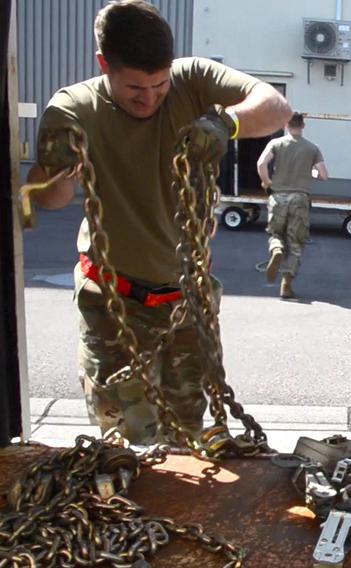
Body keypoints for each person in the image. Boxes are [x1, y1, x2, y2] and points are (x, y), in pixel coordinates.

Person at [26, 0, 291, 444]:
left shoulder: (193, 80)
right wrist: (53, 168)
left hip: (185, 302)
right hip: (115, 305)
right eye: (134, 88)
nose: (149, 98)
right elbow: (52, 198)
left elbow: (276, 108)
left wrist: (227, 121)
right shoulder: (73, 109)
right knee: (125, 441)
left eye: (159, 84)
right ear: (103, 65)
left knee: (186, 434)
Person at [257, 111, 328, 299]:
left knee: (275, 233)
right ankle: (286, 284)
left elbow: (261, 163)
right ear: (303, 125)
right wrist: (310, 173)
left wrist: (267, 182)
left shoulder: (276, 144)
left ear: (285, 125)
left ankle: (277, 249)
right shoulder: (312, 148)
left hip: (278, 197)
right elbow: (323, 175)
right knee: (296, 243)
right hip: (300, 199)